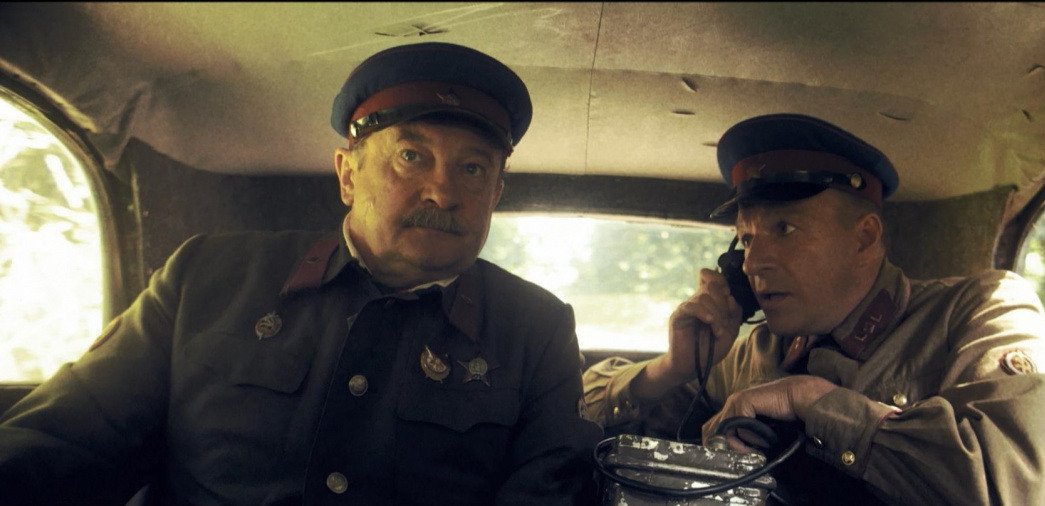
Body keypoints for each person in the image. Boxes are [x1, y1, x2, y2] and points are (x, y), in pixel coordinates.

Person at [0, 42, 602, 505]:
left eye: (473, 169)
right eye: (411, 156)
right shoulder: (208, 277)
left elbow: (548, 493)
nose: (443, 192)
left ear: (495, 194)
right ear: (347, 175)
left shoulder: (535, 329)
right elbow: (66, 439)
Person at [582, 113, 1045, 505]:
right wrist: (673, 367)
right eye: (746, 239)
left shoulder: (978, 309)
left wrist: (810, 401)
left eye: (784, 229)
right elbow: (577, 411)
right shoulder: (754, 353)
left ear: (863, 238)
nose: (754, 262)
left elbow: (1014, 483)